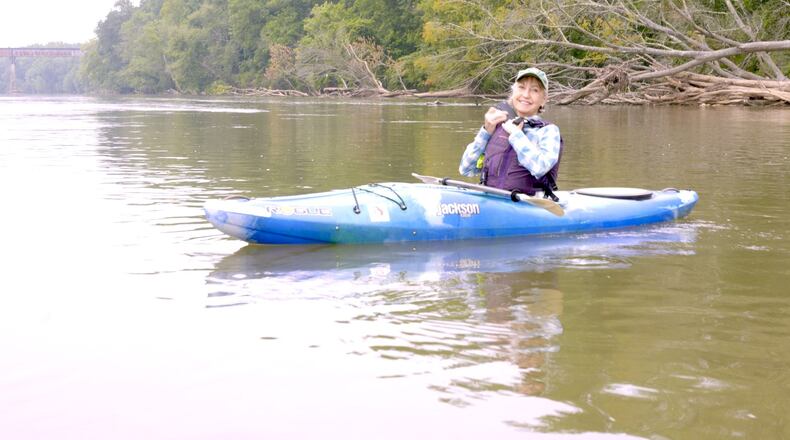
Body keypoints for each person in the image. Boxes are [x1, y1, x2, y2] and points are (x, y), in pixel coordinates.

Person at [459, 67, 563, 200]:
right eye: (521, 87)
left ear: (543, 100)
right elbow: (466, 169)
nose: (526, 95)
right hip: (491, 201)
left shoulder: (548, 131)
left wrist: (516, 136)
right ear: (513, 93)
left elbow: (540, 167)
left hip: (528, 206)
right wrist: (485, 132)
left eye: (535, 90)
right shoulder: (497, 126)